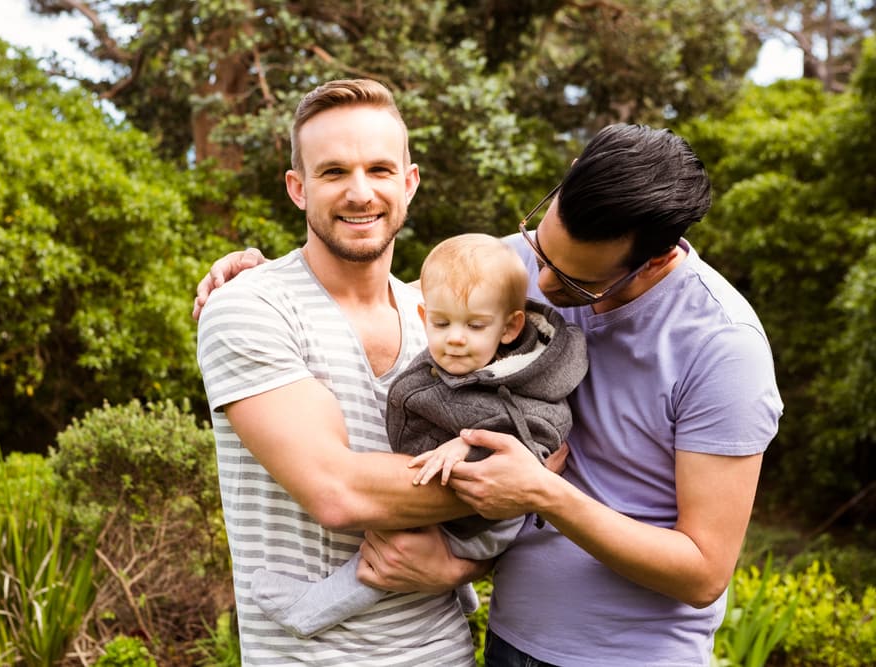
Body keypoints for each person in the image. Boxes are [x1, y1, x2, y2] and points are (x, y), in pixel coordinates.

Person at [194, 123, 783, 666]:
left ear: (653, 261)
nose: (541, 282)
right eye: (540, 248)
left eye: (573, 280)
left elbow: (704, 571)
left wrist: (546, 494)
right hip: (507, 642)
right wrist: (262, 279)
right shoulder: (517, 263)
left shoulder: (723, 347)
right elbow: (412, 293)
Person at [197, 78, 490, 665]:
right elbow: (336, 491)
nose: (361, 193)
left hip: (445, 655)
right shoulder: (250, 306)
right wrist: (522, 480)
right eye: (333, 173)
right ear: (298, 188)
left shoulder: (438, 319)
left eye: (380, 169)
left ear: (408, 183)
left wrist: (463, 564)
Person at [249, 233, 587, 639]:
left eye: (475, 325)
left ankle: (314, 608)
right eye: (441, 323)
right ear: (424, 315)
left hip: (487, 524)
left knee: (392, 545)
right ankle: (460, 590)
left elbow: (539, 434)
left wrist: (467, 443)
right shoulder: (466, 349)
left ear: (510, 327)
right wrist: (263, 269)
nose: (456, 337)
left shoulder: (528, 375)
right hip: (457, 509)